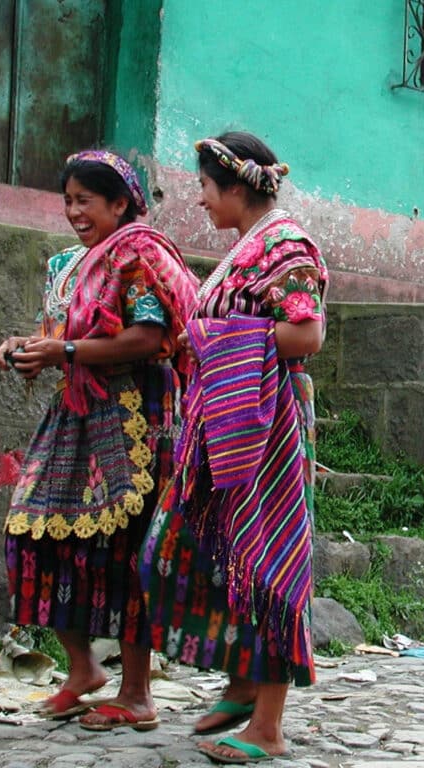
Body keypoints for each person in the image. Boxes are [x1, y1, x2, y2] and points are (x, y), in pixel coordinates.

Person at [139, 131, 328, 763]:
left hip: (268, 424)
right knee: (194, 551)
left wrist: (215, 338)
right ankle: (244, 681)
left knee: (269, 564)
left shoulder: (286, 245)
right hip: (230, 422)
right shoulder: (249, 247)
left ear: (235, 187)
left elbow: (306, 334)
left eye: (203, 186)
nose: (199, 199)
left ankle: (268, 727)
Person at [0, 150, 199, 729]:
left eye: (85, 200)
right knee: (30, 534)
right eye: (68, 201)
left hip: (138, 413)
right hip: (77, 413)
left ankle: (137, 694)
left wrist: (63, 351)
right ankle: (82, 669)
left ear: (120, 203)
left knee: (128, 547)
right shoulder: (66, 264)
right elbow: (59, 334)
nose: (74, 212)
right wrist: (26, 348)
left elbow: (150, 337)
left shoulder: (137, 256)